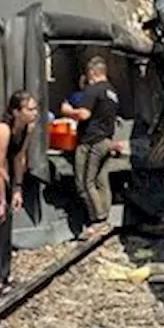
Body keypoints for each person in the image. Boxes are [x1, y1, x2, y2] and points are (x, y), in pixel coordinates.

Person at [0, 89, 39, 296]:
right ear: (16, 111)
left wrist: (18, 188)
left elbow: (19, 157)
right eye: (30, 109)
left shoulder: (27, 128)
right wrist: (2, 198)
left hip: (5, 176)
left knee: (6, 225)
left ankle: (4, 273)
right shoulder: (2, 130)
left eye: (35, 108)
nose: (35, 113)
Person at [60, 57, 118, 240]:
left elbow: (84, 114)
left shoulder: (93, 90)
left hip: (91, 141)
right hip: (106, 140)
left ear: (92, 73)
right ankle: (105, 217)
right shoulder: (112, 91)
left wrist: (67, 110)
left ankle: (97, 222)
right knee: (101, 180)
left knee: (85, 182)